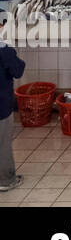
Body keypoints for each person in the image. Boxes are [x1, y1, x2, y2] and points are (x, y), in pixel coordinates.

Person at [0, 33, 24, 191]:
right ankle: (6, 180)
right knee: (3, 144)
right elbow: (18, 70)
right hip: (1, 106)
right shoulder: (4, 51)